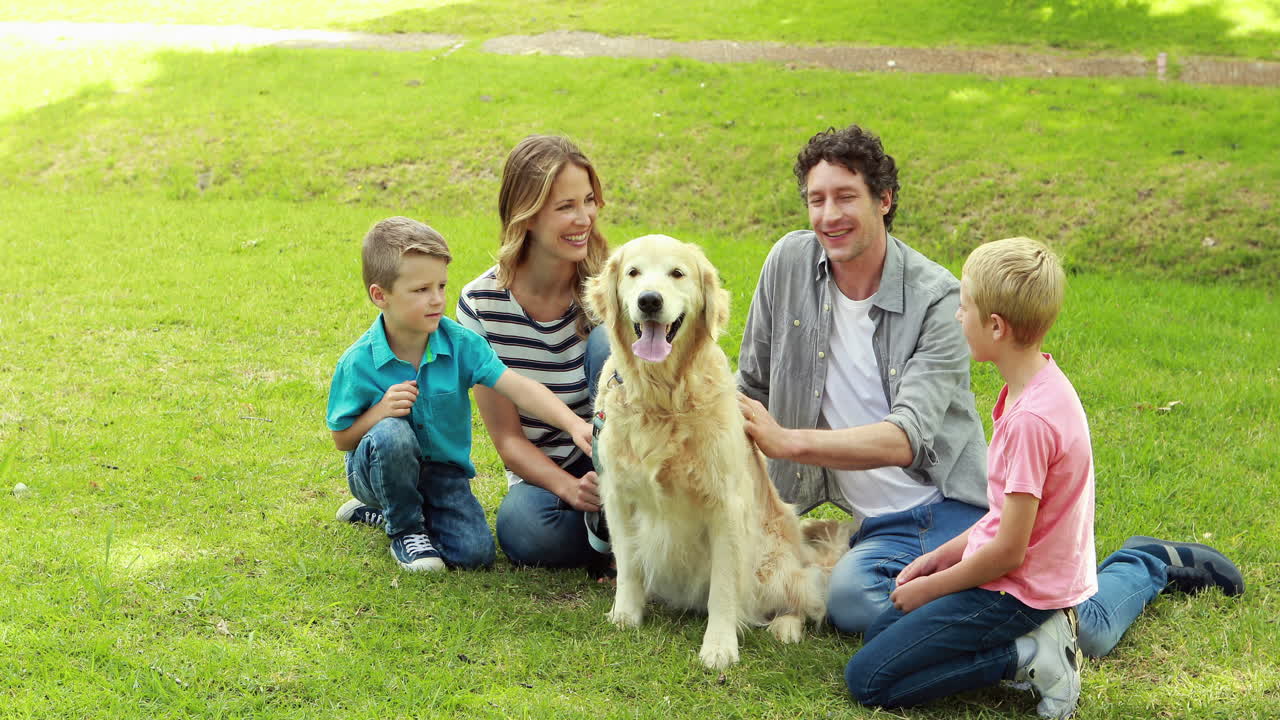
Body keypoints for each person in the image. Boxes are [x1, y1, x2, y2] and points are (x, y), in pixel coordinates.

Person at [735, 124, 1244, 658]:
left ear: (884, 201)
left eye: (845, 197)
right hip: (877, 524)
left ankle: (1145, 562)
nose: (828, 216)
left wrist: (787, 441)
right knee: (853, 602)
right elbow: (749, 386)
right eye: (816, 200)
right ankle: (989, 609)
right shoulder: (787, 264)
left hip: (946, 506)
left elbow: (905, 439)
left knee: (1083, 633)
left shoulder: (938, 300)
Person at [845, 237, 1091, 717]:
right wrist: (934, 560)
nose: (958, 318)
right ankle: (1026, 641)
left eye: (964, 308)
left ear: (995, 326)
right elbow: (1002, 519)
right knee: (882, 630)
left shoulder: (1030, 422)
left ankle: (1027, 655)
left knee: (868, 680)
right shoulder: (1036, 387)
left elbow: (1008, 552)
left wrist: (932, 588)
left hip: (1018, 593)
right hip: (1009, 578)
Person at [327, 216, 593, 572]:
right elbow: (342, 439)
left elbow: (518, 387)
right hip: (377, 470)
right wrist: (381, 412)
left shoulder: (461, 344)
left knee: (474, 556)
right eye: (421, 290)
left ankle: (393, 510)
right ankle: (404, 527)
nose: (436, 299)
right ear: (380, 295)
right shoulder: (358, 362)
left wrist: (574, 424)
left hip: (441, 474)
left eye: (441, 286)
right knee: (393, 431)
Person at [456, 135, 612, 574]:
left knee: (607, 343)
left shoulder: (610, 284)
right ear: (526, 216)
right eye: (565, 207)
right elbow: (507, 440)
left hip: (624, 457)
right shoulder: (481, 304)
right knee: (522, 527)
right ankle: (617, 539)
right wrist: (569, 488)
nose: (584, 218)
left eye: (588, 201)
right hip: (549, 475)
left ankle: (630, 524)